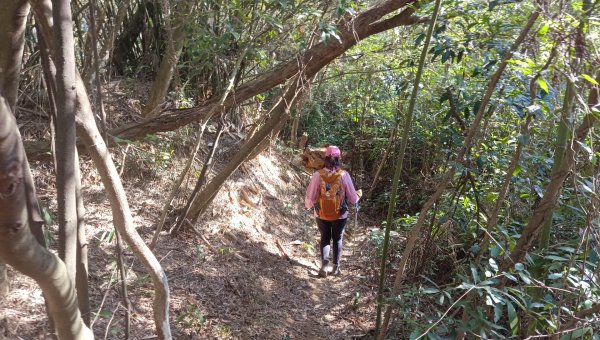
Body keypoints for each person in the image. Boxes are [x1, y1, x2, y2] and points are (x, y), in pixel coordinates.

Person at [305, 145, 359, 277]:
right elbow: (352, 198)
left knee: (325, 238)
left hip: (321, 213)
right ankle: (336, 267)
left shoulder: (318, 175)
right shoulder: (344, 175)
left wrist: (308, 206)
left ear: (326, 158)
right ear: (339, 158)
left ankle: (324, 266)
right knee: (337, 238)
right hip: (340, 214)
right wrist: (357, 200)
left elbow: (310, 195)